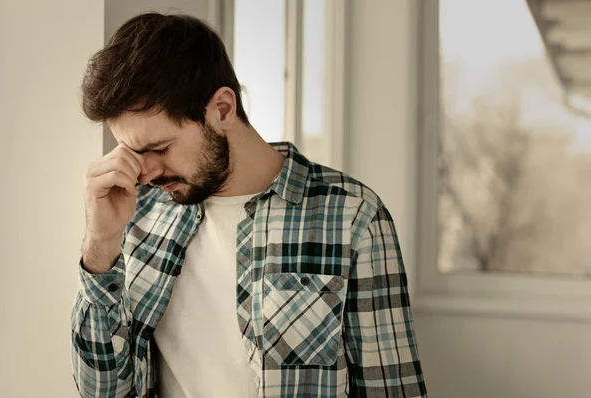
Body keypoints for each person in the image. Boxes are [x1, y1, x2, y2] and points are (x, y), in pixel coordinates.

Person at [71, 12, 427, 398]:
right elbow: (103, 391)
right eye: (133, 153)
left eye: (159, 148)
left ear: (222, 110)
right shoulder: (138, 214)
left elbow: (392, 389)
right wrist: (101, 244)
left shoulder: (353, 217)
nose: (146, 172)